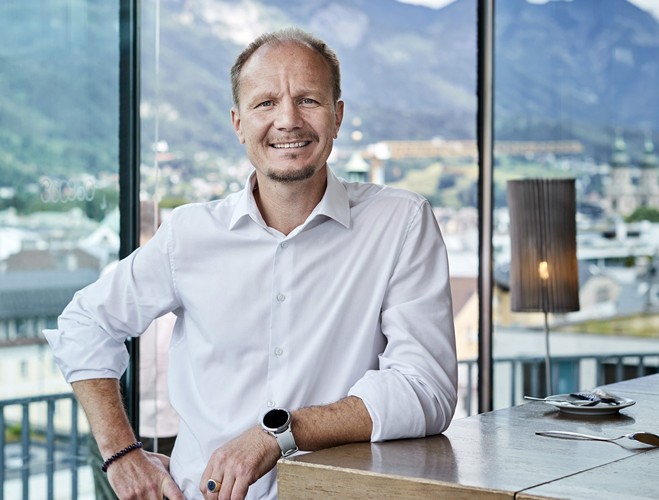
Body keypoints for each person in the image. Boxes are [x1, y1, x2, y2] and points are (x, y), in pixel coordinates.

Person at [44, 27, 458, 500]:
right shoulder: (189, 234)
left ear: (337, 117)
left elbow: (426, 389)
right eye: (265, 104)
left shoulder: (400, 221)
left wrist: (277, 433)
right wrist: (121, 454)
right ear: (239, 124)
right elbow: (84, 323)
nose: (287, 120)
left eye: (308, 100)